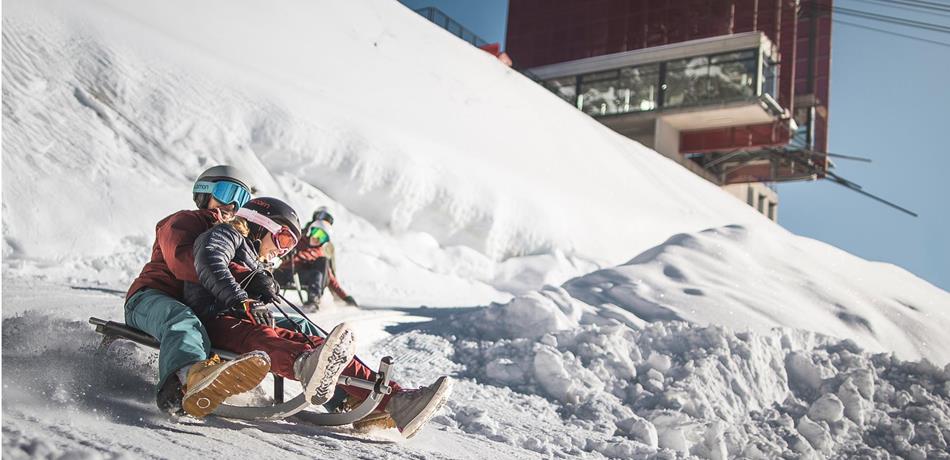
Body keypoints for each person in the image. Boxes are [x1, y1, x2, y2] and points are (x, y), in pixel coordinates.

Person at [185, 197, 453, 438]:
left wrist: (260, 287)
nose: (282, 251)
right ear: (260, 224)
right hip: (215, 319)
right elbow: (210, 260)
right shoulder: (226, 233)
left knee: (318, 345)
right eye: (283, 240)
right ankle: (304, 366)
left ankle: (395, 401)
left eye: (288, 246)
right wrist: (242, 299)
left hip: (243, 319)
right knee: (264, 338)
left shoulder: (254, 256)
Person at [125, 165, 321, 417]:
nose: (231, 205)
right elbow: (188, 262)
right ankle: (185, 382)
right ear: (204, 193)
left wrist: (263, 283)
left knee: (299, 327)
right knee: (183, 320)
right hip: (152, 298)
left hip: (204, 307)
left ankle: (344, 391)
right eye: (226, 193)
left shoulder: (236, 236)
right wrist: (248, 279)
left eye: (240, 199)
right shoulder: (184, 221)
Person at [275, 207, 357, 308]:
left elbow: (330, 277)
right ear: (311, 231)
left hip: (303, 276)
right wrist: (287, 253)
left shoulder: (321, 252)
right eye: (316, 233)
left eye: (322, 237)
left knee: (322, 264)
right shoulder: (298, 239)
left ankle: (314, 299)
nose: (317, 238)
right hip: (286, 272)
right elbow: (278, 247)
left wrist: (345, 297)